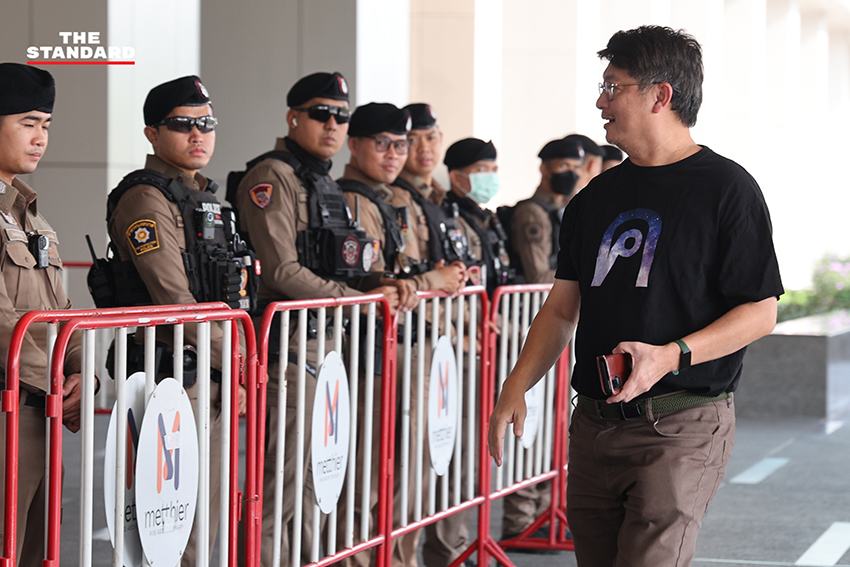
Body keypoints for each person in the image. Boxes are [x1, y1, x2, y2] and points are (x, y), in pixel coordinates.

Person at [488, 25, 783, 567]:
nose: (600, 101)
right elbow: (561, 308)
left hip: (681, 424)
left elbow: (761, 311)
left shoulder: (727, 190)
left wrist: (672, 355)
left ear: (660, 94)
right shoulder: (594, 198)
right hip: (595, 425)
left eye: (613, 86)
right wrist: (516, 383)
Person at [230, 71, 399, 567]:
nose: (333, 124)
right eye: (321, 113)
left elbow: (347, 261)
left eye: (341, 116)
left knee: (313, 479)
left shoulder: (320, 179)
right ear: (293, 117)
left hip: (325, 343)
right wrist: (353, 298)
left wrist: (380, 288)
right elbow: (282, 270)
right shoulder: (273, 176)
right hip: (287, 346)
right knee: (279, 482)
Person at [106, 75, 250, 566]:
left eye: (206, 124)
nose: (198, 134)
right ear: (152, 133)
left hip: (208, 371)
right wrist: (236, 362)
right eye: (182, 125)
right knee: (168, 523)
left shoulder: (202, 197)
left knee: (202, 517)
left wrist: (230, 366)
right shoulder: (145, 199)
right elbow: (175, 299)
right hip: (172, 373)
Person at [0, 63, 86, 567]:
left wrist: (81, 374)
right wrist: (54, 382)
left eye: (46, 126)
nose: (40, 138)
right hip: (11, 405)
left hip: (39, 411)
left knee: (35, 554)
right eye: (28, 122)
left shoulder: (30, 217)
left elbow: (59, 313)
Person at [505, 136, 585, 286]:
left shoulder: (566, 208)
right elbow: (537, 276)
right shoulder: (532, 212)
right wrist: (584, 274)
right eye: (564, 165)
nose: (572, 174)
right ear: (544, 169)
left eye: (577, 167)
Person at [441, 138, 513, 293]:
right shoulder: (445, 216)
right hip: (466, 311)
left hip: (493, 309)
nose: (490, 176)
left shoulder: (488, 218)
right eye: (481, 169)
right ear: (455, 177)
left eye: (493, 170)